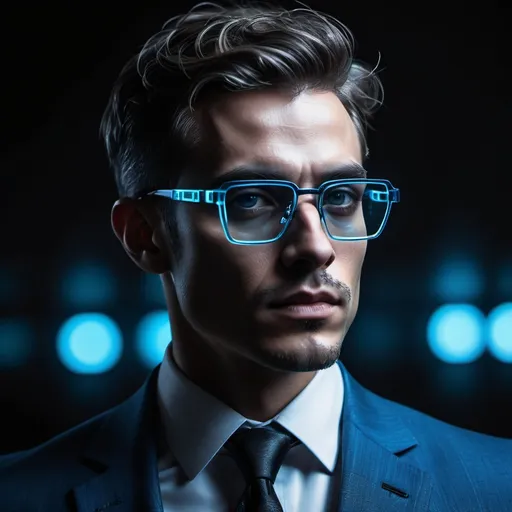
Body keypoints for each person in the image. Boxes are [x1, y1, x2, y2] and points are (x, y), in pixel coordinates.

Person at [1, 2, 511, 511]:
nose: (315, 248)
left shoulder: (496, 488)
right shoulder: (20, 496)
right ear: (145, 235)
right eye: (251, 200)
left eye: (340, 197)